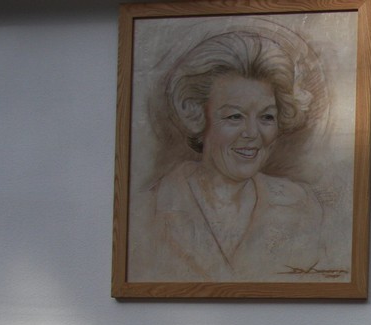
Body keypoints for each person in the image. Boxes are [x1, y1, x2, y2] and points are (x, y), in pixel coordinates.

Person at [131, 29, 341, 282]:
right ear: (198, 115)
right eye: (234, 116)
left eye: (266, 117)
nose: (252, 133)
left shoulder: (302, 207)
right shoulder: (147, 210)